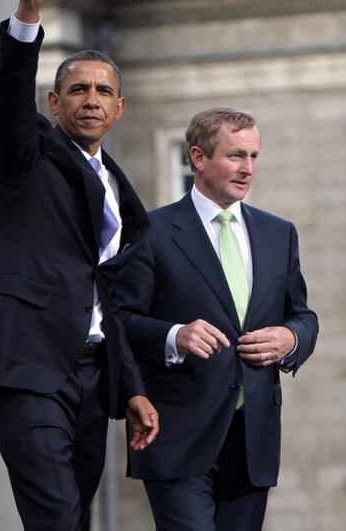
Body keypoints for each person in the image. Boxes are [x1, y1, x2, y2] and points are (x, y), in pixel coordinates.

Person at [0, 0, 158, 531]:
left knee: (75, 519)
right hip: (25, 362)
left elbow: (107, 296)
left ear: (119, 108)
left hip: (91, 375)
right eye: (77, 90)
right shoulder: (29, 151)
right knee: (57, 517)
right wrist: (28, 9)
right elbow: (7, 98)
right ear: (54, 103)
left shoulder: (121, 192)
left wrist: (133, 385)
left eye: (102, 91)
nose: (90, 99)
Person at [115, 107, 318, 531]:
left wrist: (291, 338)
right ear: (198, 158)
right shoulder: (150, 233)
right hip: (176, 434)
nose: (248, 169)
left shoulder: (278, 233)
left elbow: (303, 316)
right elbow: (119, 320)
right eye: (236, 156)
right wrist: (173, 335)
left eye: (254, 156)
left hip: (253, 438)